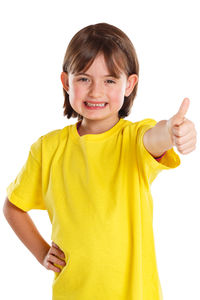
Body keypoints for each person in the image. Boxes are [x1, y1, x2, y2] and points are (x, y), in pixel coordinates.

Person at [3, 23, 196, 300]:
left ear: (129, 84)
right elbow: (13, 207)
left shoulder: (134, 139)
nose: (95, 92)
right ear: (66, 82)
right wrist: (42, 253)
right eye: (83, 79)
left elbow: (156, 137)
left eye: (109, 80)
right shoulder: (47, 148)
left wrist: (173, 132)